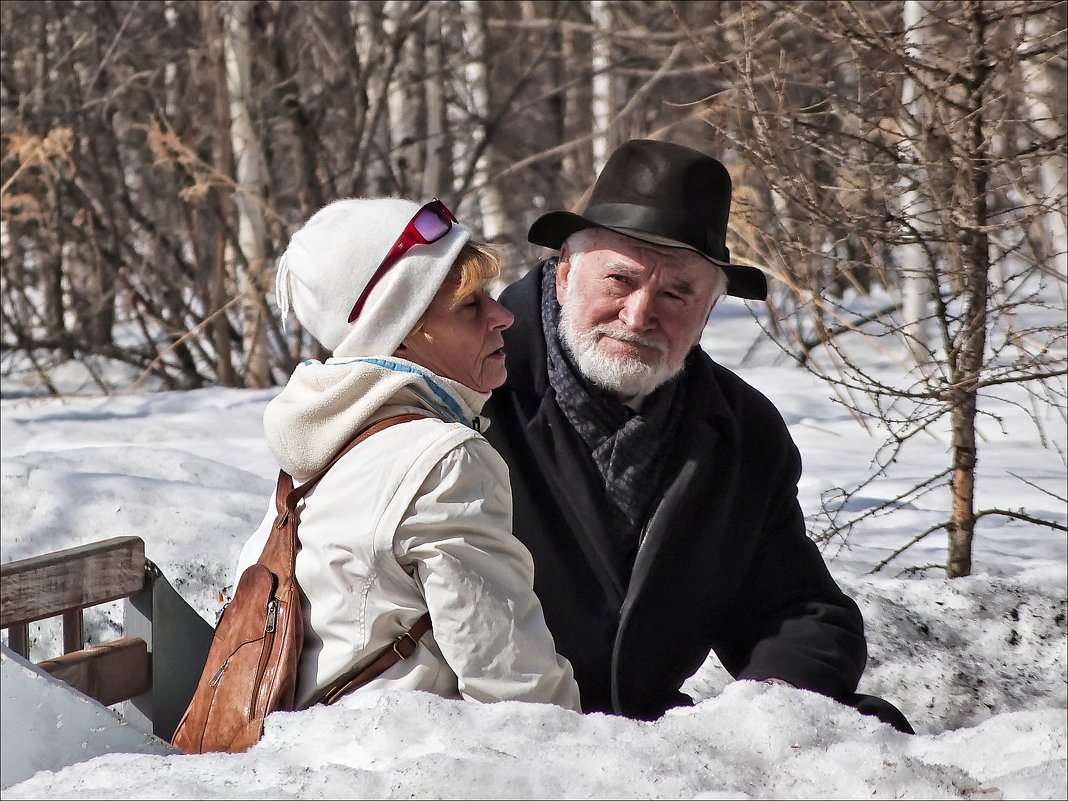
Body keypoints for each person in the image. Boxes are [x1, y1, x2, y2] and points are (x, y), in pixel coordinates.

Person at [481, 139, 913, 733]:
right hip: (482, 739)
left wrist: (770, 711)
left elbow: (791, 609)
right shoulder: (472, 391)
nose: (638, 316)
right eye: (619, 280)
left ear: (709, 310)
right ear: (563, 275)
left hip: (650, 750)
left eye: (676, 293)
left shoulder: (740, 432)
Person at [234, 196, 580, 712]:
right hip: (403, 767)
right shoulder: (442, 461)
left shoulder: (329, 447)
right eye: (470, 306)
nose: (504, 315)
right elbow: (513, 685)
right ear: (399, 332)